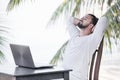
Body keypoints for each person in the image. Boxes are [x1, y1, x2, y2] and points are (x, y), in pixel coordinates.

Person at [62, 14, 109, 80]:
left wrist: (95, 28)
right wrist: (78, 21)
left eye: (86, 18)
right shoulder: (75, 35)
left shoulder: (91, 40)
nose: (82, 18)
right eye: (82, 17)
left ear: (91, 25)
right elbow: (68, 19)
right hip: (62, 75)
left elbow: (104, 19)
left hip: (75, 78)